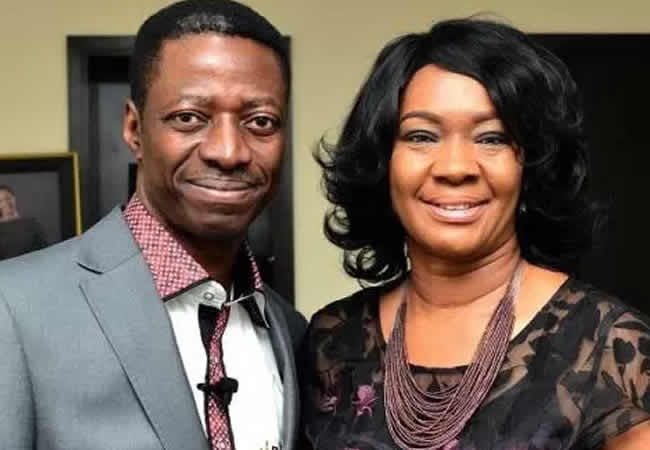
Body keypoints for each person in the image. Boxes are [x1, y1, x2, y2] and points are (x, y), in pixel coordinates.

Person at [301, 18, 650, 449]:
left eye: (491, 138)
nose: (455, 168)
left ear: (532, 165)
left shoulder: (610, 348)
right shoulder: (331, 339)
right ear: (382, 161)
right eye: (422, 136)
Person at [0, 1, 306, 449]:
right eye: (189, 118)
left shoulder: (292, 332)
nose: (228, 151)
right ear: (134, 129)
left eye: (260, 122)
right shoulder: (14, 308)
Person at [0, 185, 48, 259]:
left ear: (14, 198)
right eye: (0, 201)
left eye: (8, 198)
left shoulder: (32, 223)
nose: (6, 203)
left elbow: (45, 249)